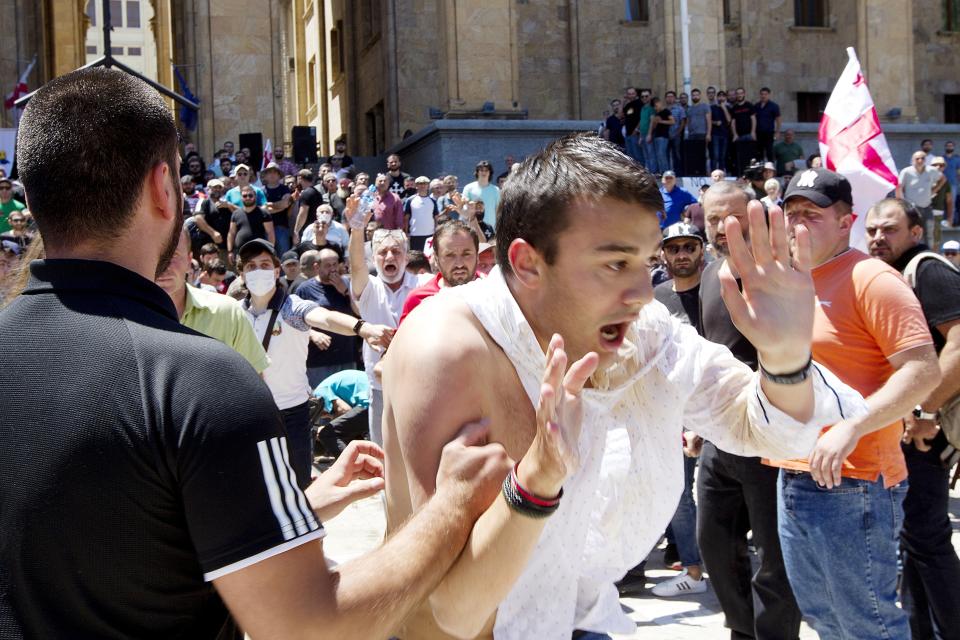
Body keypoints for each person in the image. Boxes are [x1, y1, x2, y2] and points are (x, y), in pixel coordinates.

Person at [2, 66, 512, 640]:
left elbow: (121, 547)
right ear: (163, 190)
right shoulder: (200, 380)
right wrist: (452, 506)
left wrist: (294, 509)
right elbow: (308, 624)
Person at [380, 134, 864, 639]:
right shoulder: (448, 348)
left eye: (645, 261)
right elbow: (452, 613)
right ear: (527, 263)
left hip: (582, 618)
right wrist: (538, 480)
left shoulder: (645, 331)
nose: (640, 293)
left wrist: (785, 359)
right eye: (615, 263)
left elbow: (769, 428)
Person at [775, 168, 940, 639]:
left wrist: (852, 426)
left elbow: (922, 368)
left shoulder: (872, 279)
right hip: (795, 470)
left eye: (812, 214)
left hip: (856, 480)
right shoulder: (794, 280)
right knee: (826, 621)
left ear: (847, 221)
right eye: (792, 213)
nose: (798, 224)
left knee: (868, 625)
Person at [699, 180, 803, 639]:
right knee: (714, 545)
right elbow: (709, 352)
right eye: (712, 219)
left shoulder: (780, 271)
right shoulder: (708, 273)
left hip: (769, 436)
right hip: (718, 437)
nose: (722, 228)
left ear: (754, 214)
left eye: (730, 217)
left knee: (774, 556)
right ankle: (742, 631)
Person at [864, 198, 960, 640]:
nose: (878, 237)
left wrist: (924, 410)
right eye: (872, 231)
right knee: (916, 542)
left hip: (925, 430)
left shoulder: (927, 269)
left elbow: (959, 346)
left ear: (915, 232)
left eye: (889, 229)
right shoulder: (894, 277)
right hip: (906, 428)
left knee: (928, 538)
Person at [238, 237, 392, 488]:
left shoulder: (291, 307)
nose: (258, 272)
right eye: (251, 266)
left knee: (298, 487)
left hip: (290, 414)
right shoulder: (234, 313)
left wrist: (361, 327)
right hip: (251, 414)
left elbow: (326, 318)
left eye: (265, 265)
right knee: (256, 486)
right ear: (242, 274)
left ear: (277, 271)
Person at [651, 222, 707, 597]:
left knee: (682, 493)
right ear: (664, 254)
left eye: (689, 247)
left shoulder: (717, 292)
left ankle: (695, 571)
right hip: (663, 409)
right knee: (673, 491)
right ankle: (691, 562)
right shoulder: (656, 297)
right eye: (675, 248)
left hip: (702, 410)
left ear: (701, 251)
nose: (682, 254)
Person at [346, 199, 419, 446]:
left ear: (406, 257)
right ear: (374, 258)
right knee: (384, 452)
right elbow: (356, 267)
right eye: (383, 252)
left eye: (396, 251)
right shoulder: (369, 288)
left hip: (421, 383)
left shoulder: (423, 286)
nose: (390, 256)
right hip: (380, 387)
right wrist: (357, 229)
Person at [156, 227, 269, 373]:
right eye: (156, 255)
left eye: (173, 255)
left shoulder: (229, 313)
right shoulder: (122, 316)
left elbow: (255, 377)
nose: (164, 266)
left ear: (189, 260)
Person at [296, 247, 362, 388]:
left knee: (351, 407)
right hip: (319, 360)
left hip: (347, 356)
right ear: (316, 266)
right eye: (327, 265)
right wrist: (312, 334)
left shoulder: (348, 284)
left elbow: (361, 312)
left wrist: (344, 290)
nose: (332, 269)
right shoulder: (304, 289)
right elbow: (294, 321)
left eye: (335, 264)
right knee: (323, 406)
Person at [399, 220, 480, 324]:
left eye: (466, 254)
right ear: (436, 260)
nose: (459, 264)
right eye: (450, 255)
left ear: (477, 256)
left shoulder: (493, 294)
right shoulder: (418, 300)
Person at [226, 184, 274, 265]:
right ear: (241, 197)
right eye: (245, 196)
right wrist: (230, 251)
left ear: (255, 196)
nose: (248, 198)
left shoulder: (264, 213)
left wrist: (270, 250)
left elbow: (270, 233)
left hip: (259, 252)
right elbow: (231, 233)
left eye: (250, 195)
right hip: (240, 253)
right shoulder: (235, 213)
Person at [261, 162, 293, 254]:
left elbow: (286, 204)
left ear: (279, 175)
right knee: (268, 256)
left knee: (284, 256)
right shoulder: (261, 191)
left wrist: (270, 205)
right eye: (269, 172)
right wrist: (279, 206)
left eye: (275, 172)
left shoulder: (284, 189)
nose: (272, 174)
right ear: (265, 176)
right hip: (266, 229)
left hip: (281, 227)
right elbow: (263, 210)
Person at [405, 175, 440, 251]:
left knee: (429, 257)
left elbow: (436, 218)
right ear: (416, 186)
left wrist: (436, 233)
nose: (422, 186)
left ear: (428, 186)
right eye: (420, 184)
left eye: (425, 184)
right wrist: (406, 233)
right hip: (414, 235)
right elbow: (406, 218)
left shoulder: (433, 201)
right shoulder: (410, 200)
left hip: (430, 235)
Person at [462, 160, 500, 229]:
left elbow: (498, 211)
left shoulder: (496, 190)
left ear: (490, 173)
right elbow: (464, 209)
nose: (484, 172)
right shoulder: (468, 188)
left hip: (491, 228)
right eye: (481, 170)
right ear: (477, 172)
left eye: (486, 170)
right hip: (473, 228)